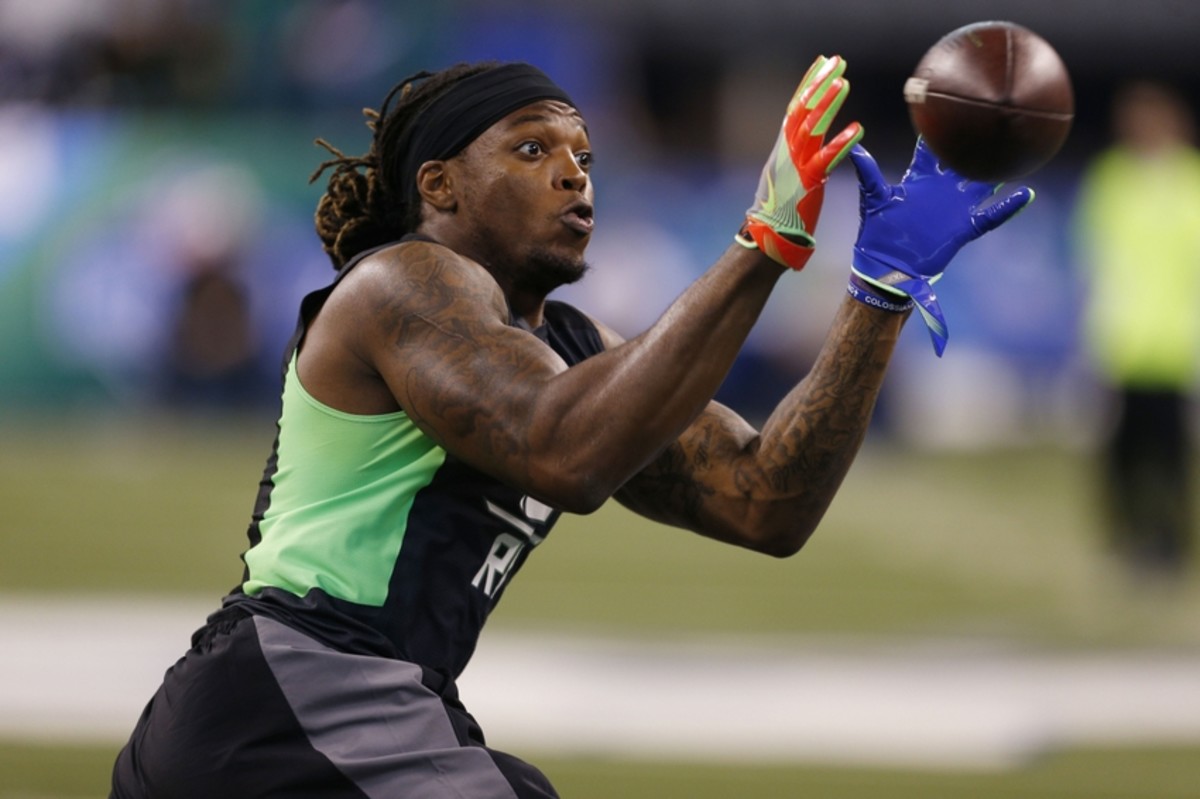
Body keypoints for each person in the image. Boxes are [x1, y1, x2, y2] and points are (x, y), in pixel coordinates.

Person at [110, 57, 1033, 797]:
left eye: (584, 156)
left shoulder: (567, 346)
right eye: (529, 149)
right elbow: (564, 453)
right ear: (440, 185)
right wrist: (764, 243)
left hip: (348, 708)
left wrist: (877, 295)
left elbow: (764, 503)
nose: (571, 173)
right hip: (291, 699)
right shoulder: (405, 282)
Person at [1073, 80, 1200, 581]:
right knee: (1120, 453)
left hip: (1174, 342)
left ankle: (1170, 542)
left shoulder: (1191, 181)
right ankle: (1126, 540)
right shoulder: (1112, 178)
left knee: (1172, 452)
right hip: (1120, 340)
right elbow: (1093, 256)